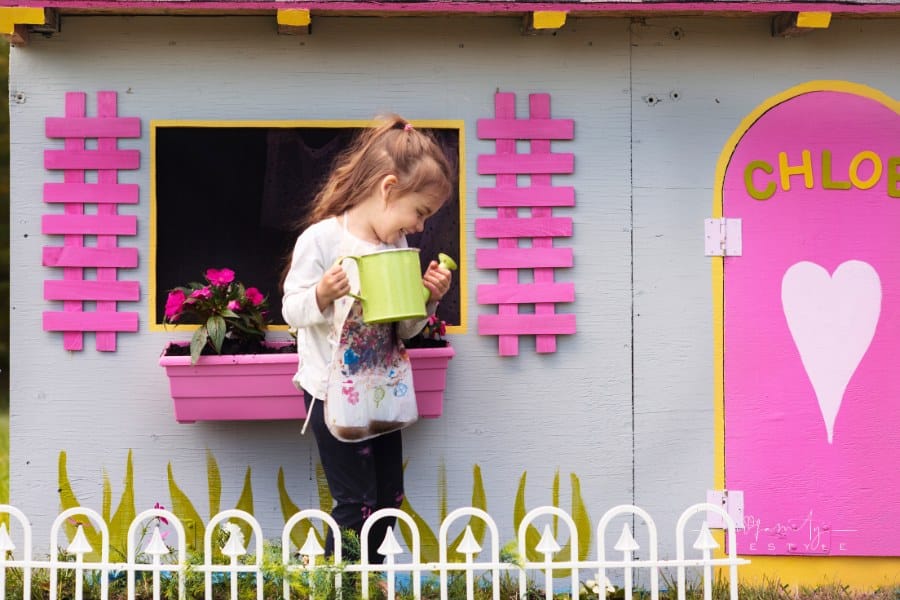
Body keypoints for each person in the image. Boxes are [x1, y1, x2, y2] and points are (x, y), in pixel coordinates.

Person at [281, 115, 454, 563]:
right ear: (388, 187)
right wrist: (321, 293)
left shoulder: (395, 248)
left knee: (388, 503)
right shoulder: (322, 240)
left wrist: (427, 300)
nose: (419, 227)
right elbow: (290, 310)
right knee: (354, 503)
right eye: (420, 212)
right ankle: (337, 585)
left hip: (381, 391)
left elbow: (404, 329)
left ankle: (368, 581)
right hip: (331, 392)